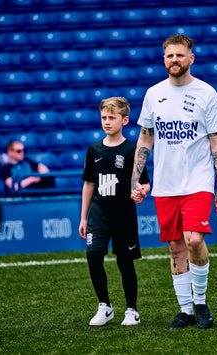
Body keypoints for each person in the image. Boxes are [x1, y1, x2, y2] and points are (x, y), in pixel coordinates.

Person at [130, 34, 217, 329]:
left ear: (191, 58)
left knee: (194, 240)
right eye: (169, 56)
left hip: (198, 181)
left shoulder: (207, 94)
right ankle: (185, 310)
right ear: (164, 60)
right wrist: (135, 177)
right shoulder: (153, 94)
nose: (174, 60)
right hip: (165, 184)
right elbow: (145, 137)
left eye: (179, 55)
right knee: (175, 247)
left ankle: (200, 303)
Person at [79, 97, 150, 326]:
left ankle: (132, 310)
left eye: (112, 117)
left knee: (124, 262)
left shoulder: (132, 151)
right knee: (93, 256)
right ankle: (104, 306)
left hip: (123, 216)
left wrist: (142, 191)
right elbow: (89, 183)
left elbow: (145, 182)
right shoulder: (94, 149)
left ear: (125, 120)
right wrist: (83, 217)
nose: (107, 122)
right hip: (98, 215)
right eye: (103, 118)